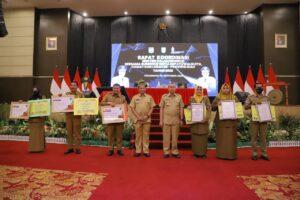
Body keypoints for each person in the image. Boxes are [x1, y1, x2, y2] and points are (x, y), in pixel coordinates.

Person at [212, 83, 239, 160]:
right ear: (221, 89)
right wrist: (217, 104)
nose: (226, 90)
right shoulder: (218, 97)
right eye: (224, 88)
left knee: (231, 139)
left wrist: (235, 105)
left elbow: (238, 107)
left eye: (227, 88)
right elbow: (212, 107)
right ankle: (221, 154)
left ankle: (231, 155)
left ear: (229, 89)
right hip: (221, 122)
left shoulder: (234, 97)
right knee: (222, 138)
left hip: (231, 122)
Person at [244, 82, 271, 161]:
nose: (260, 88)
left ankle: (264, 153)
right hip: (254, 119)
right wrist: (254, 103)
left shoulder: (266, 97)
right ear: (254, 88)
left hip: (264, 119)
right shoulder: (250, 97)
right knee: (254, 137)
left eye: (261, 87)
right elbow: (245, 106)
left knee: (263, 137)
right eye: (258, 87)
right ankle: (254, 153)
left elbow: (270, 107)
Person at [129, 81, 155, 157]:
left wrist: (147, 116)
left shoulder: (149, 97)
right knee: (138, 136)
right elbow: (132, 108)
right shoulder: (135, 97)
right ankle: (138, 151)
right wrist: (138, 117)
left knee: (146, 136)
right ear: (138, 89)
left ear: (146, 89)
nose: (142, 89)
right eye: (141, 88)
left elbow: (152, 107)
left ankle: (146, 151)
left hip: (147, 119)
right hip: (138, 120)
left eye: (144, 88)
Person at [101, 83, 127, 156]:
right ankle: (110, 149)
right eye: (114, 88)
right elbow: (101, 103)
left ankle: (119, 149)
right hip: (110, 119)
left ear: (120, 89)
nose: (116, 89)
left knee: (119, 135)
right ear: (112, 89)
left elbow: (125, 107)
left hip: (119, 119)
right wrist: (109, 103)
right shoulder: (107, 96)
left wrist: (125, 116)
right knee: (110, 135)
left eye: (117, 88)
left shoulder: (123, 97)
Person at [159, 83, 184, 158]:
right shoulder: (164, 97)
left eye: (173, 87)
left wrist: (181, 119)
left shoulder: (179, 97)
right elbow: (161, 109)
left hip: (176, 120)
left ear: (175, 88)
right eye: (170, 87)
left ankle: (174, 152)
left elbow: (181, 108)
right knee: (166, 137)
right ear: (168, 88)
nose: (172, 88)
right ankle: (166, 152)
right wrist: (161, 120)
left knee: (175, 137)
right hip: (166, 120)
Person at [189, 86, 211, 159]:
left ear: (202, 91)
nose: (199, 91)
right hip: (195, 122)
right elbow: (190, 108)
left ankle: (203, 153)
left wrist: (206, 118)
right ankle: (196, 153)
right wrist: (189, 108)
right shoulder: (192, 98)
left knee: (203, 137)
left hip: (203, 122)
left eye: (200, 90)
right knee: (195, 138)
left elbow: (209, 108)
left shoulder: (205, 98)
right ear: (195, 90)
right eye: (197, 89)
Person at [64, 81, 83, 154]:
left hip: (77, 116)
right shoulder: (66, 95)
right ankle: (70, 148)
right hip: (68, 115)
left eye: (74, 85)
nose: (72, 86)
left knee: (77, 132)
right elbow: (62, 104)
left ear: (77, 87)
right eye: (71, 85)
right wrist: (59, 97)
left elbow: (83, 104)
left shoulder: (80, 95)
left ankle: (78, 148)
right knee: (69, 132)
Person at [28, 87, 45, 153]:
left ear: (39, 90)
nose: (35, 91)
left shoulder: (42, 97)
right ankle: (32, 148)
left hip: (40, 119)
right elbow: (27, 106)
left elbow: (45, 106)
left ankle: (40, 148)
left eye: (36, 90)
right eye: (34, 90)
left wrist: (43, 115)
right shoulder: (30, 98)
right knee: (33, 135)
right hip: (32, 120)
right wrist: (20, 103)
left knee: (39, 135)